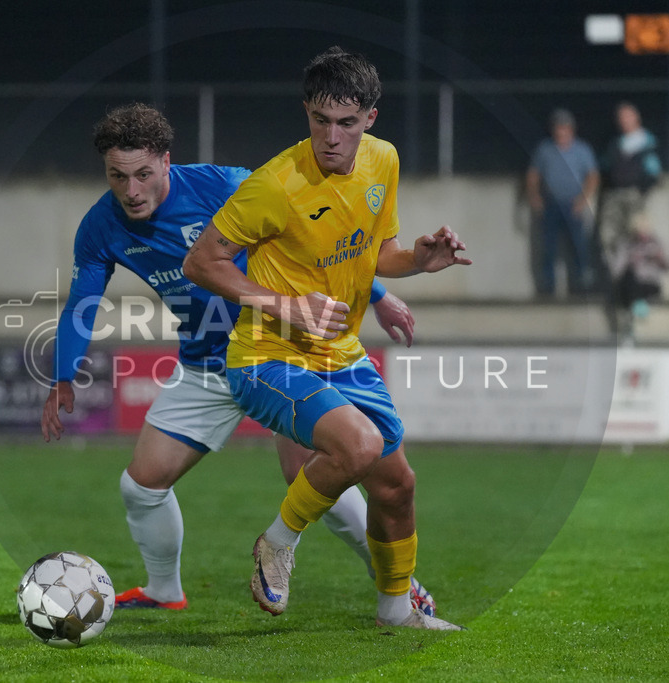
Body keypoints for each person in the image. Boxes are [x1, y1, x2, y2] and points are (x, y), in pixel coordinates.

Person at [40, 103, 435, 615]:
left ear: (166, 160)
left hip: (280, 349)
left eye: (142, 174)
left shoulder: (223, 185)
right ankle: (164, 591)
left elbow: (316, 238)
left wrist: (378, 295)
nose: (131, 190)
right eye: (118, 177)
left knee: (317, 478)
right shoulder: (100, 227)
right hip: (207, 362)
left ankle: (402, 591)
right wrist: (62, 376)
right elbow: (82, 303)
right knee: (141, 485)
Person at [183, 47, 471, 631]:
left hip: (342, 355)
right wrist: (286, 306)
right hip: (267, 357)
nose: (330, 137)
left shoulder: (382, 162)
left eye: (345, 123)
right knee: (360, 448)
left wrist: (416, 259)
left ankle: (395, 607)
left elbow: (377, 253)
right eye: (319, 121)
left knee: (397, 486)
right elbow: (201, 263)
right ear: (306, 114)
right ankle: (277, 543)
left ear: (371, 117)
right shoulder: (274, 185)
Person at [525, 108, 599, 297]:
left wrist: (583, 201)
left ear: (571, 129)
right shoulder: (545, 149)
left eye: (565, 127)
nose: (561, 131)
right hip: (550, 204)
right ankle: (547, 289)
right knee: (548, 248)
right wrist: (534, 197)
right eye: (558, 127)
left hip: (573, 205)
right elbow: (533, 175)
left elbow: (592, 176)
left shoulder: (582, 150)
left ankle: (580, 288)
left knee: (578, 247)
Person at [597, 102, 662, 277]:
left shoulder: (647, 142)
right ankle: (617, 276)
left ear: (636, 118)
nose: (623, 121)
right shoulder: (615, 143)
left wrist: (640, 191)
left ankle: (635, 280)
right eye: (621, 118)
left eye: (627, 117)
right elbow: (605, 167)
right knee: (608, 236)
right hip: (613, 196)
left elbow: (654, 172)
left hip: (634, 196)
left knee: (636, 238)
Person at [610, 212, 669, 337]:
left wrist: (658, 258)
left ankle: (634, 315)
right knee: (630, 279)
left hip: (650, 284)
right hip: (631, 284)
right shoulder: (626, 245)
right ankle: (632, 317)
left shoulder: (656, 243)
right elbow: (616, 271)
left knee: (637, 287)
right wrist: (630, 260)